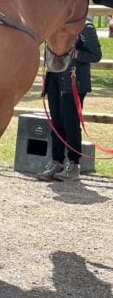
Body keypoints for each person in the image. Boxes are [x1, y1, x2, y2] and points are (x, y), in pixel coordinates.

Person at [38, 16, 102, 182]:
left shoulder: (85, 26)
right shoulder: (54, 23)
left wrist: (76, 53)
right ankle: (57, 161)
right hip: (54, 78)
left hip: (74, 80)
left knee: (70, 123)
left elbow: (96, 54)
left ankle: (73, 164)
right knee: (56, 123)